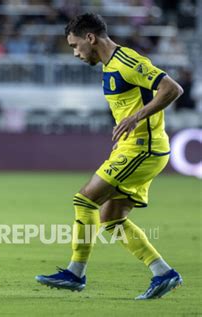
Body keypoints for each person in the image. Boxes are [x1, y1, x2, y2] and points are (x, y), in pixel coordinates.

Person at [35, 13, 184, 300]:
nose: (76, 53)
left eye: (75, 46)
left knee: (85, 199)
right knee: (112, 218)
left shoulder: (127, 61)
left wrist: (136, 118)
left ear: (90, 38)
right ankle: (163, 273)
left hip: (145, 148)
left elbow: (171, 88)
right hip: (134, 148)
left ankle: (75, 273)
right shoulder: (109, 67)